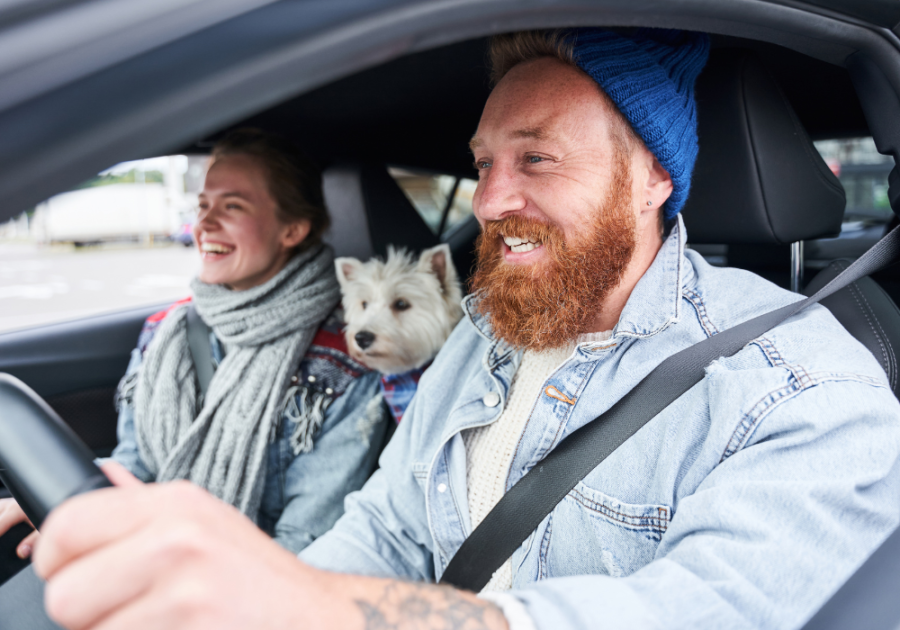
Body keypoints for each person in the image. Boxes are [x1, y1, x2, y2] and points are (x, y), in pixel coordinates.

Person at [29, 28, 900, 630]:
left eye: (538, 158)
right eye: (485, 163)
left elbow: (701, 612)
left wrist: (315, 607)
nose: (488, 200)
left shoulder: (799, 383)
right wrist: (262, 594)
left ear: (650, 179)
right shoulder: (487, 332)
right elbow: (387, 528)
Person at [0, 128, 388, 561]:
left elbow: (304, 542)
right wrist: (59, 499)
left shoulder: (345, 362)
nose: (204, 224)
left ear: (292, 229)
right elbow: (136, 465)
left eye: (232, 206)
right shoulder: (166, 331)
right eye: (203, 205)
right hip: (151, 554)